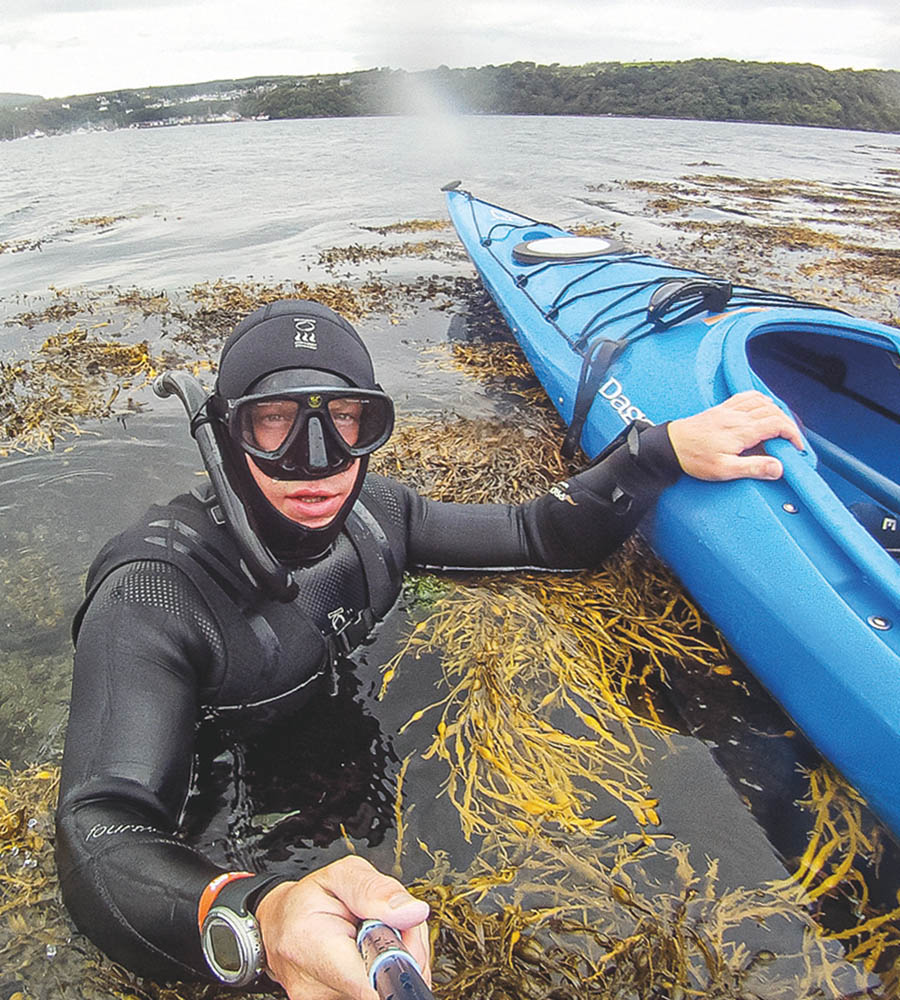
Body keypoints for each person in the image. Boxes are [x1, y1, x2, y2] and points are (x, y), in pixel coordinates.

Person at [54, 299, 803, 999]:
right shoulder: (152, 594)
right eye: (273, 422)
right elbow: (101, 831)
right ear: (223, 433)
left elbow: (536, 536)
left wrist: (657, 450)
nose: (317, 460)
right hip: (237, 818)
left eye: (347, 420)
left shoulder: (380, 517)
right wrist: (261, 918)